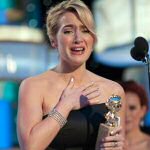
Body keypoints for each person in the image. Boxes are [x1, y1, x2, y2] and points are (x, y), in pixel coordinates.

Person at [17, 0, 126, 150]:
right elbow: (30, 146)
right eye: (68, 31)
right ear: (54, 40)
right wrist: (66, 105)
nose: (78, 39)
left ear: (93, 39)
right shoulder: (33, 86)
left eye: (85, 30)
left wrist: (120, 146)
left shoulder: (113, 91)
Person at [121, 80, 150, 150]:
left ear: (143, 111)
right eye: (121, 107)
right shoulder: (105, 143)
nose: (126, 114)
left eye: (132, 108)